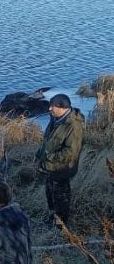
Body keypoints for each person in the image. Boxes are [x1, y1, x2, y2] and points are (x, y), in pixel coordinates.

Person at [35, 93, 84, 226]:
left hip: (62, 168)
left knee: (61, 198)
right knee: (50, 193)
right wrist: (40, 154)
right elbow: (48, 140)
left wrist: (49, 157)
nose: (49, 109)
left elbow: (71, 152)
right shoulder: (55, 119)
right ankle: (52, 218)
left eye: (53, 106)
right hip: (51, 167)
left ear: (62, 107)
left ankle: (61, 226)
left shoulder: (74, 126)